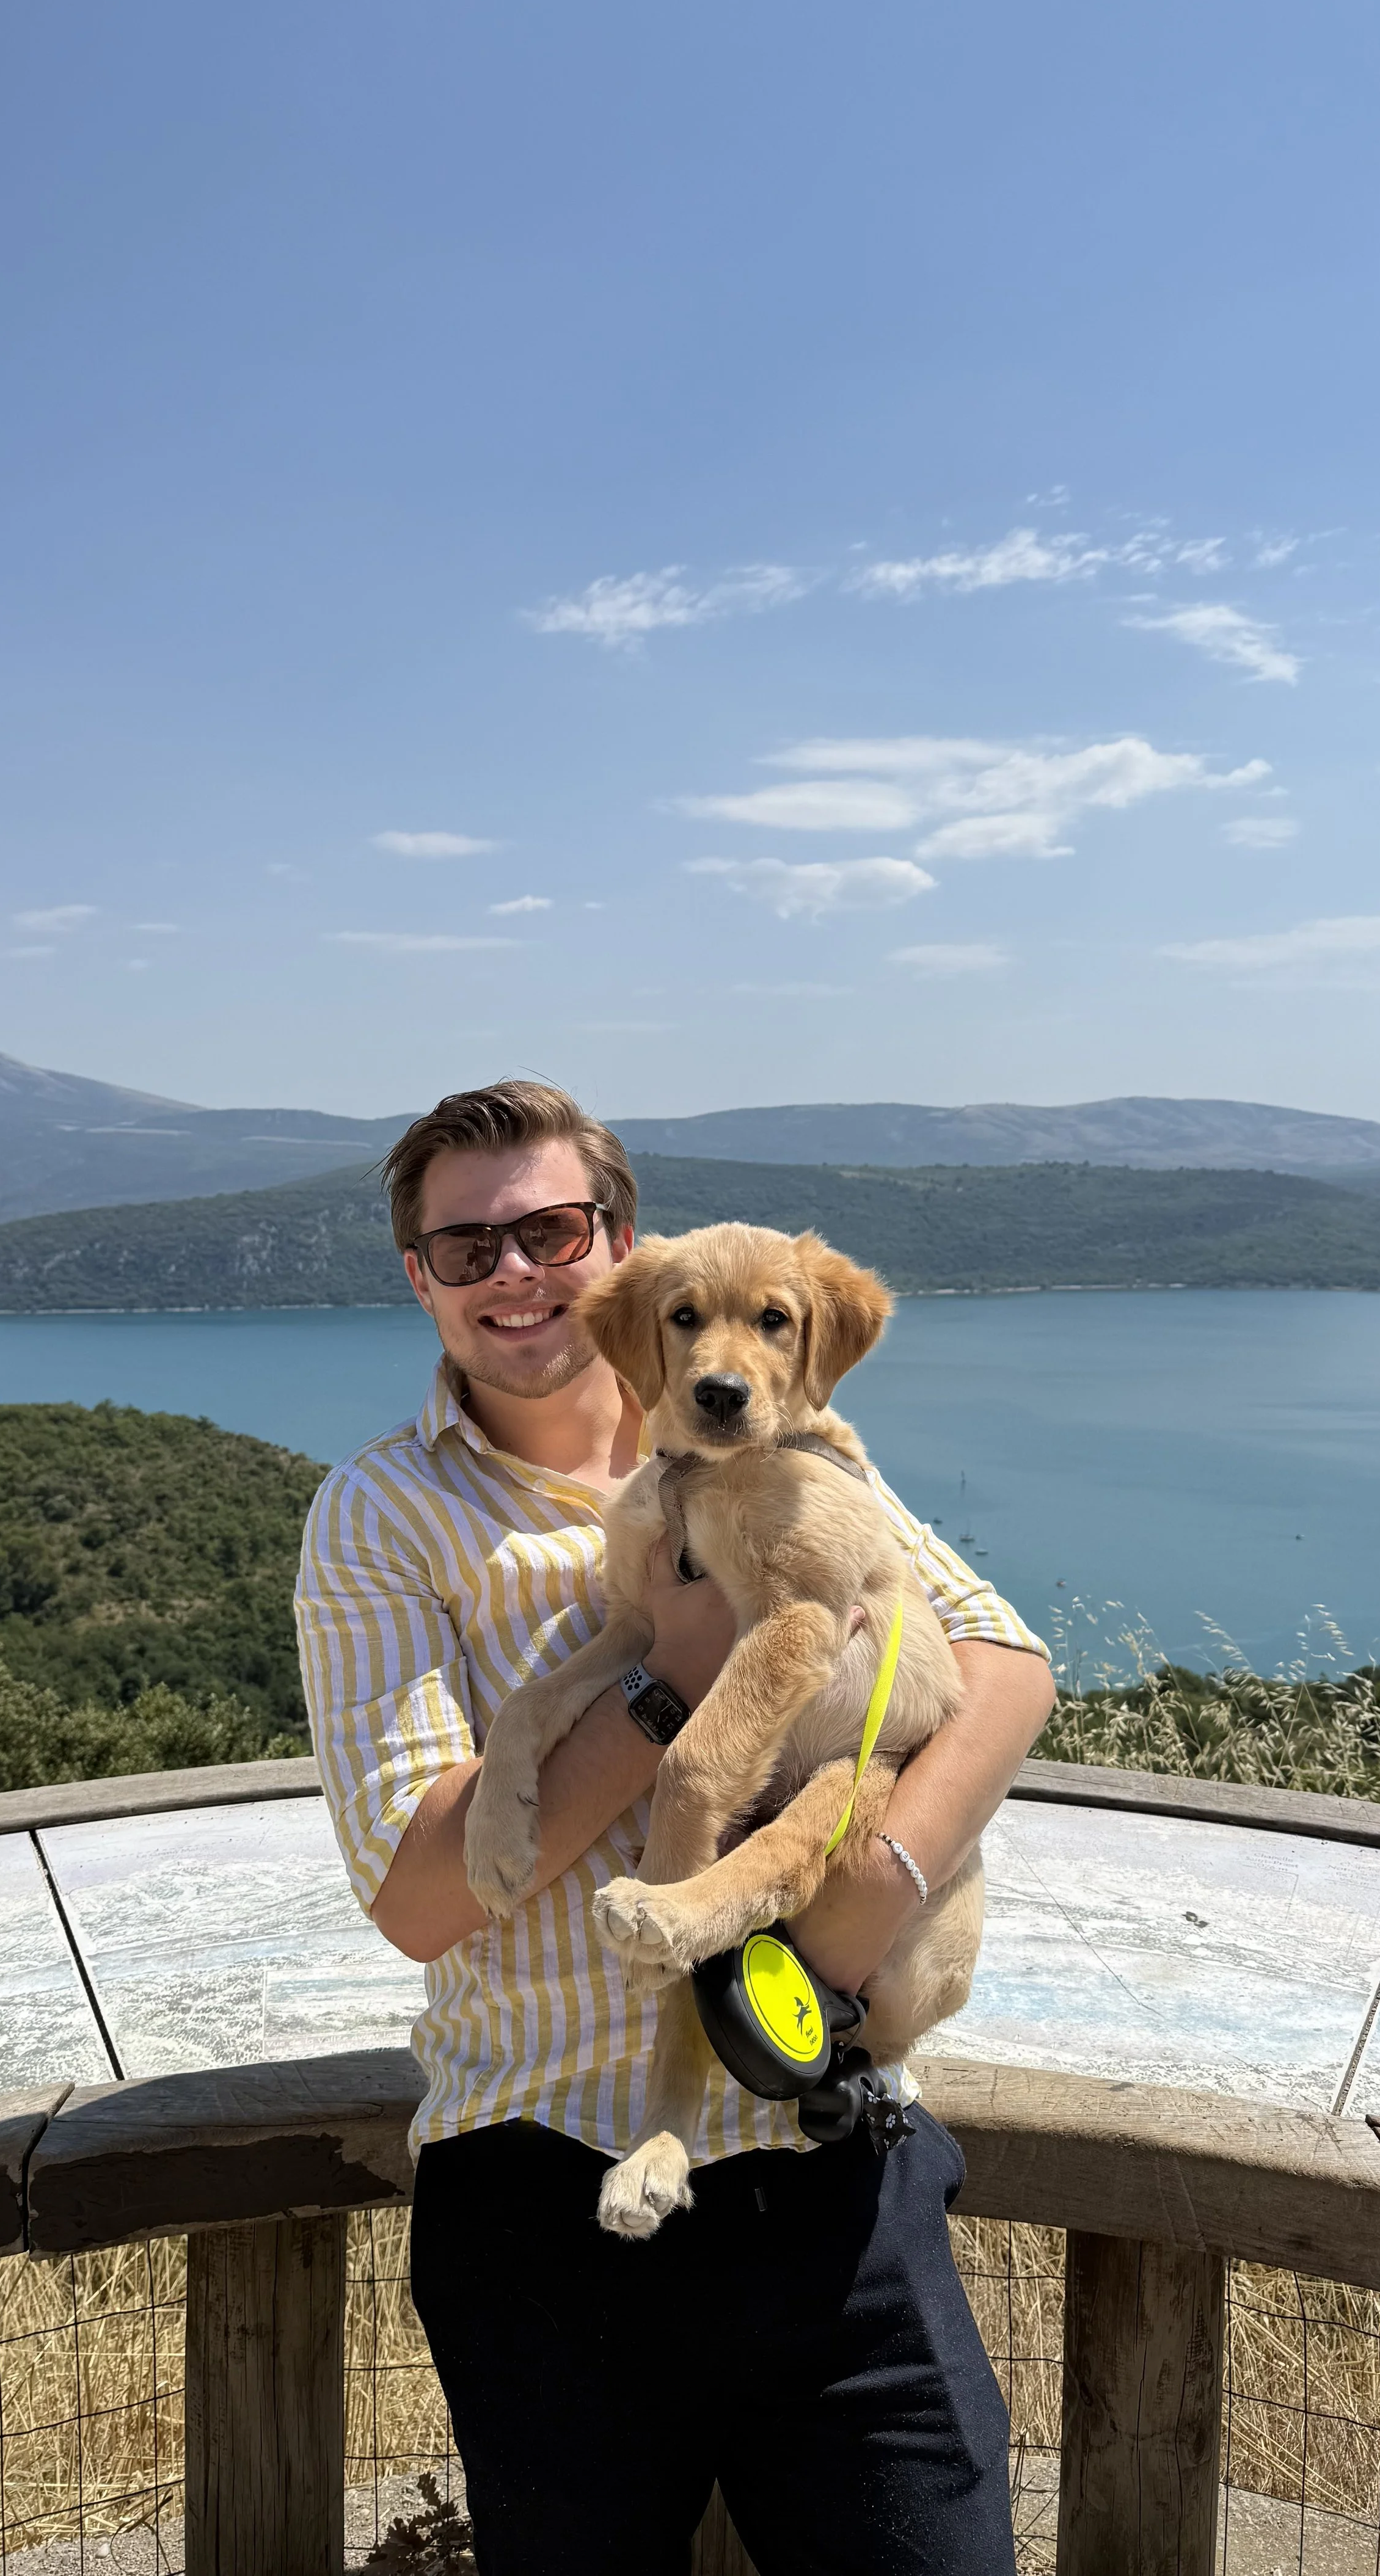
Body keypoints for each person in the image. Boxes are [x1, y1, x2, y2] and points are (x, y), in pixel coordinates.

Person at [295, 1079, 1054, 2576]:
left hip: (825, 2147)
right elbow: (420, 1897)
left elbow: (1004, 1669)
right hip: (546, 2181)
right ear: (419, 1278)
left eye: (548, 1227)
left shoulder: (799, 1440)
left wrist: (872, 1895)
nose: (512, 1270)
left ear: (617, 1246)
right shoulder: (381, 1516)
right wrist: (675, 1673)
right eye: (465, 1247)